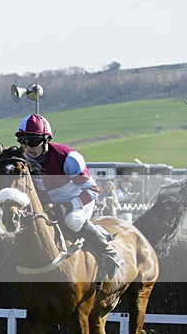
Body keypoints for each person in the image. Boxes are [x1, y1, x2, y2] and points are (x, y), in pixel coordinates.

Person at [14, 113, 124, 278]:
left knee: (72, 220)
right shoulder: (24, 161)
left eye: (33, 142)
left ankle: (110, 252)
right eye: (23, 142)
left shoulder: (67, 157)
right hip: (51, 204)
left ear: (46, 140)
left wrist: (67, 207)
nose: (28, 148)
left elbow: (93, 190)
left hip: (79, 199)